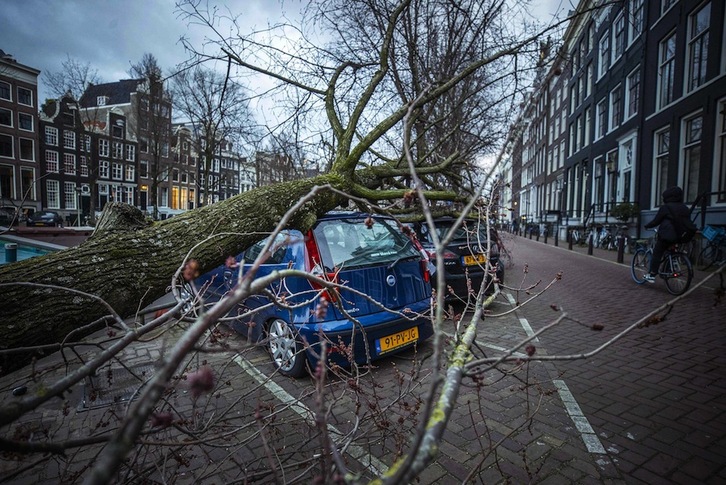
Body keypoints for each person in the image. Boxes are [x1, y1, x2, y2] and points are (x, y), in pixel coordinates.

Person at [643, 186, 690, 283]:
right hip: (682, 236)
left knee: (657, 252)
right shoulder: (685, 208)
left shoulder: (666, 208)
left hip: (667, 235)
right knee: (671, 251)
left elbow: (656, 221)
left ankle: (652, 274)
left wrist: (647, 226)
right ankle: (668, 269)